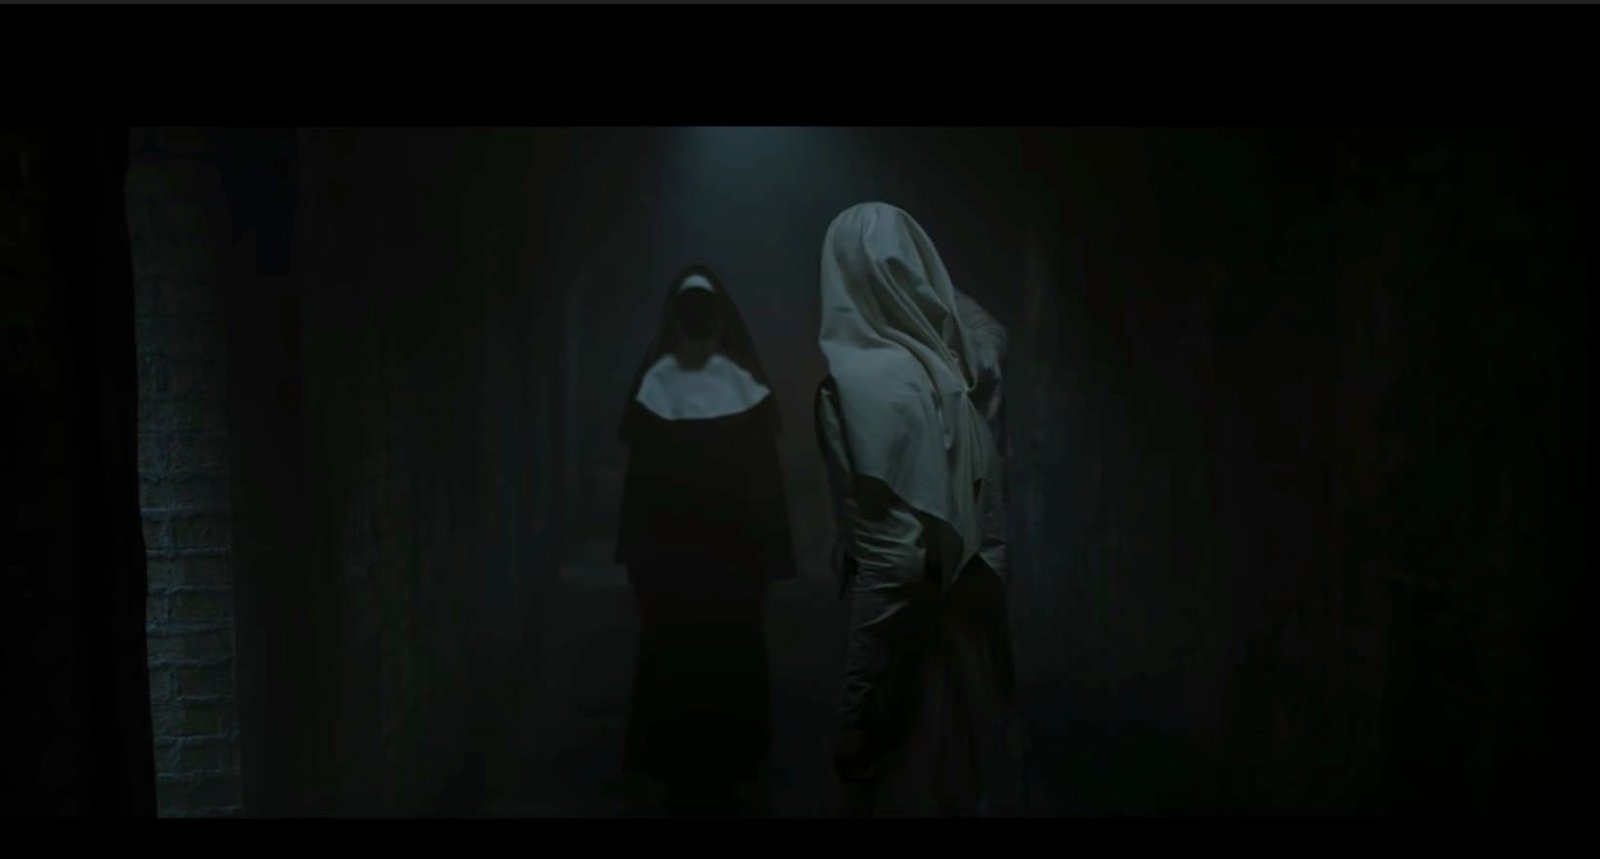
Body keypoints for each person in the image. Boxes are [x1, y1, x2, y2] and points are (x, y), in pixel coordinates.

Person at [813, 202, 1023, 816]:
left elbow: (892, 564)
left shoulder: (855, 386)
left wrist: (855, 718)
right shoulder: (968, 359)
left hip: (908, 627)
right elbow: (984, 328)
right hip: (973, 595)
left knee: (904, 772)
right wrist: (926, 288)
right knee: (970, 754)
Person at [615, 265, 796, 816]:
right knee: (716, 662)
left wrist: (638, 559)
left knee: (687, 662)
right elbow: (766, 492)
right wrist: (770, 559)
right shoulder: (740, 387)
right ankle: (715, 770)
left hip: (688, 567)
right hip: (720, 566)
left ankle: (696, 772)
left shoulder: (659, 386)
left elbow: (639, 492)